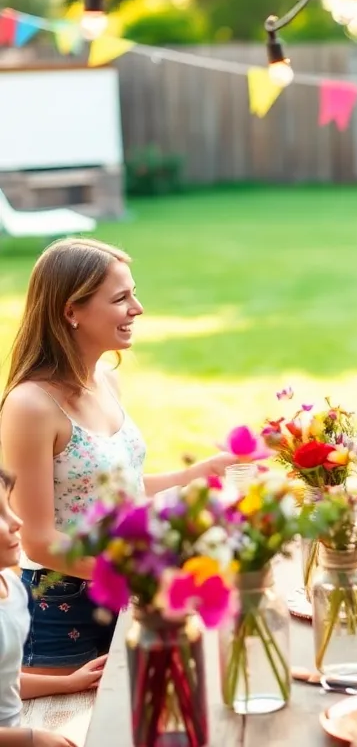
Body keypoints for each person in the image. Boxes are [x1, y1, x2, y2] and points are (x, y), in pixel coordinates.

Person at [0, 239, 236, 674]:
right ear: (71, 311)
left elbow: (108, 488)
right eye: (120, 298)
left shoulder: (106, 381)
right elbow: (38, 539)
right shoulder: (30, 406)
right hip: (64, 609)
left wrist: (196, 474)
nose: (138, 308)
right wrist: (144, 579)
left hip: (123, 589)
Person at [0, 468, 103, 747]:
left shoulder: (11, 587)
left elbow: (4, 683)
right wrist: (31, 738)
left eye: (9, 507)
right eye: (0, 514)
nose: (17, 521)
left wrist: (69, 683)